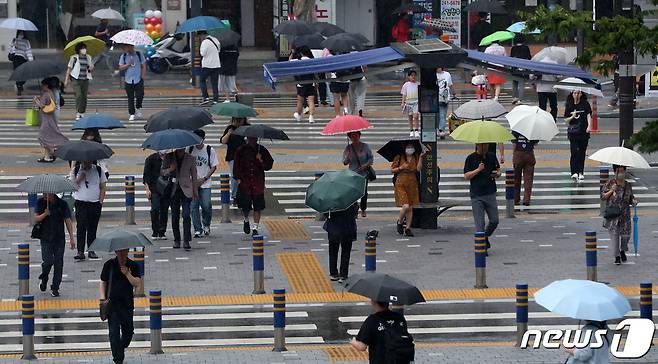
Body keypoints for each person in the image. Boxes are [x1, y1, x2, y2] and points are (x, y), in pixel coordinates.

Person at [100, 248, 141, 364]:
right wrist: (102, 298)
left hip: (127, 304)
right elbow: (103, 282)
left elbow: (137, 283)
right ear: (116, 252)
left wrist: (127, 273)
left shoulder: (133, 265)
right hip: (112, 304)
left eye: (125, 252)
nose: (123, 254)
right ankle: (118, 359)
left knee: (128, 332)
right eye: (120, 252)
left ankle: (120, 348)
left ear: (128, 252)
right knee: (114, 333)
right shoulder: (109, 265)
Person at [34, 193, 75, 297]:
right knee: (48, 261)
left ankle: (55, 287)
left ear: (52, 193)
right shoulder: (40, 202)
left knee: (58, 263)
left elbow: (68, 220)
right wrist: (45, 214)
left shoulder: (62, 204)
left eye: (46, 193)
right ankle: (44, 277)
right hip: (45, 238)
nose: (44, 195)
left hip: (59, 238)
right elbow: (36, 218)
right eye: (43, 193)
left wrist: (71, 237)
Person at [350, 300, 414, 364]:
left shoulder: (372, 320)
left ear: (374, 303)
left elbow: (362, 347)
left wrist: (353, 342)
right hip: (399, 360)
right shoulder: (399, 317)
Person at [464, 143, 500, 253]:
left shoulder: (491, 156)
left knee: (494, 220)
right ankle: (482, 248)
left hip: (490, 192)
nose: (485, 147)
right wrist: (478, 170)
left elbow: (498, 170)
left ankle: (484, 237)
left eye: (487, 145)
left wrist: (497, 174)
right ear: (477, 145)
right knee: (480, 224)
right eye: (482, 145)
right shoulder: (470, 158)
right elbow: (466, 176)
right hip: (476, 195)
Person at [233, 136, 274, 236]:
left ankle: (255, 227)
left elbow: (269, 165)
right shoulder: (241, 150)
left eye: (255, 138)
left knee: (258, 206)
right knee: (245, 206)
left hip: (257, 182)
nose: (253, 140)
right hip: (245, 182)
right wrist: (238, 179)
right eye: (251, 138)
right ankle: (246, 220)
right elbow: (236, 166)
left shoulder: (262, 150)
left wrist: (260, 160)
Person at [69, 160, 107, 260]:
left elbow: (103, 186)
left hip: (95, 203)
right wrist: (79, 179)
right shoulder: (76, 170)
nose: (87, 163)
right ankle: (80, 251)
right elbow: (70, 186)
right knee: (81, 226)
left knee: (92, 227)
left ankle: (91, 250)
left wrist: (101, 201)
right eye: (85, 161)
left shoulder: (98, 170)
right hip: (81, 202)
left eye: (89, 161)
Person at [601, 165, 638, 265]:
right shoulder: (610, 183)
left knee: (626, 236)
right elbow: (603, 197)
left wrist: (634, 201)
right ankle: (617, 256)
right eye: (619, 171)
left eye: (622, 171)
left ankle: (623, 250)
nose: (621, 173)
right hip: (613, 216)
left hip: (625, 216)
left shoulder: (628, 185)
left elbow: (631, 198)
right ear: (615, 172)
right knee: (615, 237)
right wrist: (611, 190)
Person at [164, 149, 198, 250]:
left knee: (186, 215)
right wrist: (170, 169)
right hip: (173, 190)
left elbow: (194, 176)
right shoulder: (169, 156)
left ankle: (186, 240)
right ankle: (177, 240)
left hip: (186, 190)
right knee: (175, 216)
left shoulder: (190, 158)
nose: (181, 149)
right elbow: (161, 172)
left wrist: (195, 191)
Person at [188, 129, 219, 238]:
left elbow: (214, 166)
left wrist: (204, 178)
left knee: (206, 205)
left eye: (199, 139)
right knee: (193, 206)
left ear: (203, 139)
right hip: (193, 183)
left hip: (205, 183)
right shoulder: (190, 149)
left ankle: (206, 224)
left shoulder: (210, 150)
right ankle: (198, 229)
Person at [392, 143, 426, 237]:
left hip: (412, 182)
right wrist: (401, 167)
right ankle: (400, 221)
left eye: (412, 147)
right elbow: (392, 169)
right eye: (408, 147)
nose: (410, 149)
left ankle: (408, 228)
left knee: (410, 207)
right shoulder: (399, 157)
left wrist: (421, 157)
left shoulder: (416, 157)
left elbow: (418, 169)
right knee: (406, 205)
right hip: (401, 181)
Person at [34, 78, 68, 163]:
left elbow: (42, 106)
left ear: (46, 85)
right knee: (48, 136)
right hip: (49, 118)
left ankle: (54, 151)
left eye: (43, 85)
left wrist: (36, 100)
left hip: (46, 119)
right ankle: (47, 156)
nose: (41, 86)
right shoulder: (51, 93)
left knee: (42, 137)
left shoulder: (46, 94)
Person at [323, 203, 357, 282]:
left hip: (333, 227)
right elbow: (355, 212)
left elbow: (325, 212)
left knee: (333, 251)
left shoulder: (331, 199)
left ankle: (333, 273)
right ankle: (343, 274)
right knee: (346, 251)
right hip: (348, 227)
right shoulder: (351, 199)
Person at [342, 131, 374, 217]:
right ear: (350, 137)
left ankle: (363, 209)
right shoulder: (348, 148)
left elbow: (371, 159)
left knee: (364, 192)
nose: (355, 137)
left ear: (359, 136)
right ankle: (354, 211)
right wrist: (347, 157)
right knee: (353, 193)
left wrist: (365, 166)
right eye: (352, 136)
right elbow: (344, 162)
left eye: (356, 135)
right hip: (352, 175)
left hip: (364, 174)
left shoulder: (365, 146)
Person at [564, 90, 592, 183]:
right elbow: (566, 120)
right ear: (572, 94)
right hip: (573, 133)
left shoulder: (585, 104)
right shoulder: (569, 104)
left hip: (584, 132)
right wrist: (572, 116)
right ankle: (574, 172)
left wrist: (589, 126)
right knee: (574, 151)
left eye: (578, 93)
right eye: (575, 93)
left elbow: (589, 115)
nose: (576, 95)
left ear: (581, 94)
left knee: (582, 152)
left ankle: (581, 172)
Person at [143, 151, 169, 240]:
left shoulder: (170, 158)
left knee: (164, 210)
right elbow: (146, 175)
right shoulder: (151, 158)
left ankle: (162, 232)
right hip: (154, 188)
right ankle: (155, 231)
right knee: (155, 208)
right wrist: (147, 189)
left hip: (166, 188)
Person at [64, 42, 94, 120]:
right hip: (75, 79)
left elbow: (90, 68)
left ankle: (82, 112)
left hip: (85, 79)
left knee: (84, 97)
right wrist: (66, 80)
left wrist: (91, 68)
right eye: (82, 48)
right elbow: (69, 69)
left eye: (85, 48)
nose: (84, 50)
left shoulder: (88, 57)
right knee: (79, 95)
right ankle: (78, 112)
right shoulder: (74, 58)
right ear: (78, 50)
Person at [221, 117, 247, 204]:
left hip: (244, 156)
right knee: (234, 176)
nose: (238, 122)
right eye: (236, 120)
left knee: (244, 175)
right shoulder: (230, 128)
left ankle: (244, 194)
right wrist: (228, 134)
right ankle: (235, 195)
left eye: (240, 120)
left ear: (244, 120)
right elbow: (223, 141)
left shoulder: (247, 128)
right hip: (232, 156)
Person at [118, 44, 146, 121]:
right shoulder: (123, 56)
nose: (127, 48)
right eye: (126, 47)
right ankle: (132, 113)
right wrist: (128, 64)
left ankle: (138, 107)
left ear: (132, 47)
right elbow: (120, 67)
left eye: (128, 47)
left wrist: (142, 76)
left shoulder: (139, 54)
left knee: (140, 95)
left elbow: (143, 65)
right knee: (130, 98)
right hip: (128, 79)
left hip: (138, 78)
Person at [512, 131, 537, 206]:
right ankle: (526, 199)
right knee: (528, 179)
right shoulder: (533, 130)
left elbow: (514, 144)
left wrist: (514, 155)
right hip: (529, 154)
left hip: (518, 154)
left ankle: (516, 198)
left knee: (516, 178)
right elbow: (535, 143)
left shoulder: (515, 130)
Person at [291, 46, 316, 124]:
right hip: (311, 83)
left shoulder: (297, 61)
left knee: (300, 101)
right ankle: (311, 117)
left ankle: (298, 115)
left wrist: (292, 53)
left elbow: (289, 61)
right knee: (311, 101)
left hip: (301, 83)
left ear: (301, 53)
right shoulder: (312, 61)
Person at [198, 30, 221, 105]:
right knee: (214, 83)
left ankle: (206, 97)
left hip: (207, 65)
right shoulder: (216, 40)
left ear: (202, 35)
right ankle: (215, 100)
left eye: (200, 36)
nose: (200, 38)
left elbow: (202, 53)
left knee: (202, 80)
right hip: (216, 64)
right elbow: (219, 50)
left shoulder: (204, 42)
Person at [8, 30, 33, 96]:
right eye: (20, 33)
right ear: (18, 33)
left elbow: (28, 51)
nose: (21, 34)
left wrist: (31, 60)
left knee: (24, 73)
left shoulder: (26, 41)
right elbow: (10, 49)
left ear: (24, 33)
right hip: (16, 58)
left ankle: (20, 84)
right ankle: (19, 86)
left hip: (23, 59)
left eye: (22, 33)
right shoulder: (15, 40)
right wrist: (13, 45)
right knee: (18, 73)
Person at [510, 34, 531, 104]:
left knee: (514, 83)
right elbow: (529, 57)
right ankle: (520, 99)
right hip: (523, 67)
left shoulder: (513, 48)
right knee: (522, 83)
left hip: (514, 67)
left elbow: (511, 58)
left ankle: (514, 98)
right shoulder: (526, 48)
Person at [436, 66, 457, 139]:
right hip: (434, 98)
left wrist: (454, 93)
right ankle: (439, 129)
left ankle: (441, 130)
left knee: (442, 115)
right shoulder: (433, 74)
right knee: (437, 115)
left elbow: (450, 85)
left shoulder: (447, 74)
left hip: (444, 98)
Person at [401, 70, 420, 137]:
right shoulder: (406, 85)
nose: (413, 77)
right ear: (409, 77)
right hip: (408, 103)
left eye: (414, 75)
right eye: (411, 75)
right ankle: (411, 130)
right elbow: (404, 94)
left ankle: (417, 130)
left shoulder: (418, 84)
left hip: (416, 102)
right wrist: (402, 102)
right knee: (410, 117)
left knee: (416, 116)